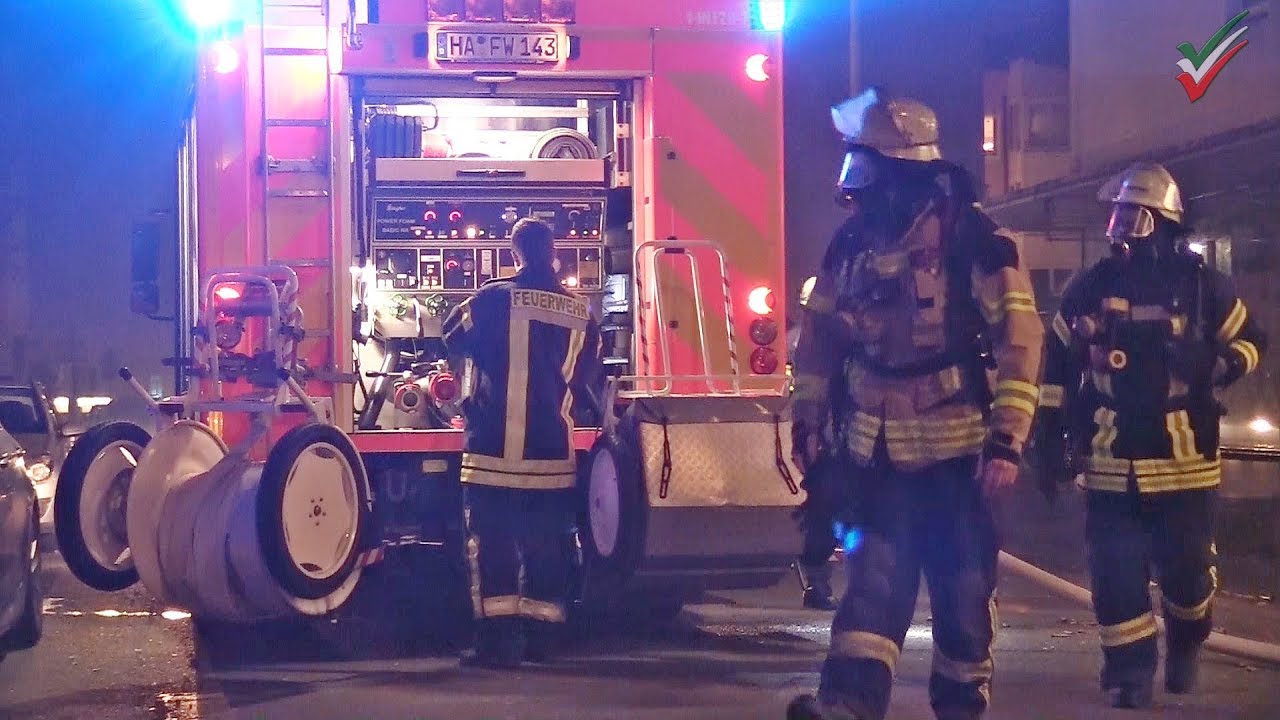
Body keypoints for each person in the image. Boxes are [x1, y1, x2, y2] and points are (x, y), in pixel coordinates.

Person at [786, 86, 1044, 720]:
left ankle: (960, 703)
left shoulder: (973, 238)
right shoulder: (851, 245)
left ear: (895, 165)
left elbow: (1020, 339)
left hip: (958, 457)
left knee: (961, 594)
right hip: (871, 454)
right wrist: (808, 420)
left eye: (863, 158)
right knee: (873, 582)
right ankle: (846, 704)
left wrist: (1007, 440)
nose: (854, 177)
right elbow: (818, 343)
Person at [1031, 162, 1266, 709]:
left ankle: (1186, 640)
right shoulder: (1092, 286)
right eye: (1115, 215)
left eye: (1130, 215)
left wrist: (1215, 365)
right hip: (1113, 463)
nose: (1119, 227)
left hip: (1186, 465)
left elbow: (1252, 342)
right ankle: (1129, 673)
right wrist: (1048, 436)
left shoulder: (1203, 286)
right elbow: (1057, 364)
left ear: (1160, 221)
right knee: (1114, 577)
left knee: (1187, 578)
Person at [442, 217, 602, 668]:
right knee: (548, 543)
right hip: (551, 453)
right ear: (554, 253)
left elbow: (451, 334)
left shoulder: (493, 297)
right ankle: (543, 640)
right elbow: (587, 377)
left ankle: (495, 644)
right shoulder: (580, 314)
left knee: (490, 544)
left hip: (493, 450)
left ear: (516, 253)